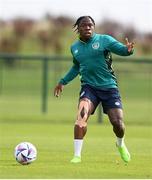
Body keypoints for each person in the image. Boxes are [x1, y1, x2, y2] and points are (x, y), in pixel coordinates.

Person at [54, 16, 134, 163]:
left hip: (109, 87)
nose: (88, 28)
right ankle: (77, 155)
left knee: (118, 124)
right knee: (81, 117)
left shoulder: (104, 40)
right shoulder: (75, 47)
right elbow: (76, 66)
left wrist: (128, 50)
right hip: (89, 87)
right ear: (78, 28)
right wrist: (63, 81)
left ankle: (120, 144)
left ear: (94, 27)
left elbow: (122, 50)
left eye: (90, 25)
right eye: (84, 26)